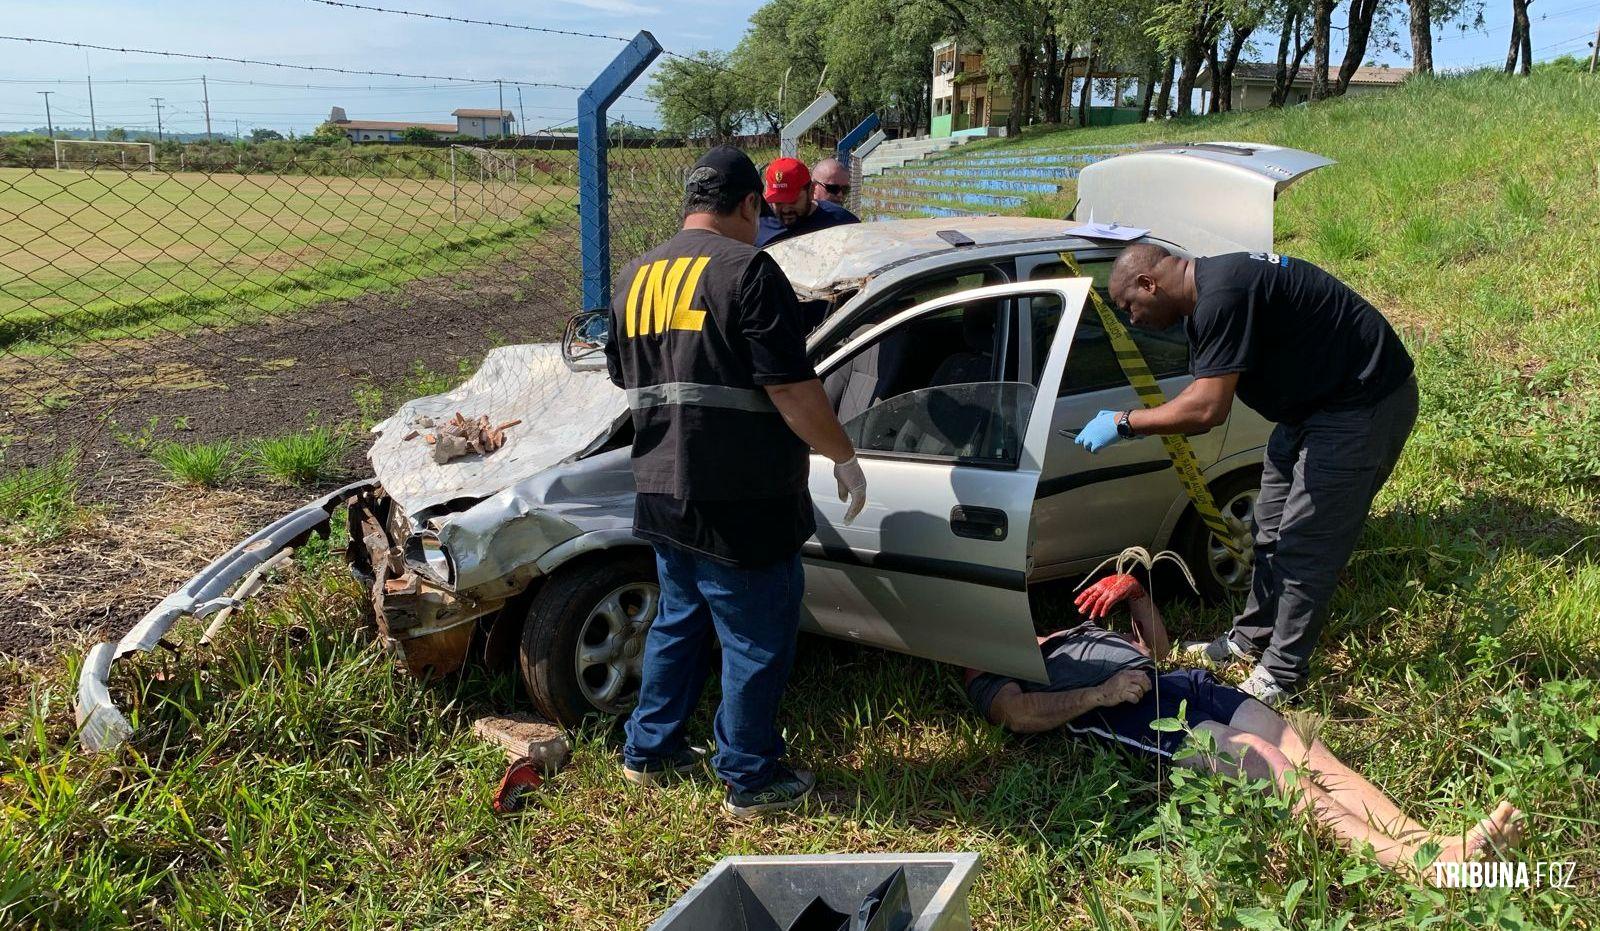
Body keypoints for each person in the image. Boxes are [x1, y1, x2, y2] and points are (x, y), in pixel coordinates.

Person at [603, 145, 869, 817]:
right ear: (750, 204)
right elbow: (791, 386)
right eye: (762, 211)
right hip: (744, 496)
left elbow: (619, 373)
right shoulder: (748, 269)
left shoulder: (634, 275)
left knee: (679, 620)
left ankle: (649, 749)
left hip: (662, 487)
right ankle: (750, 776)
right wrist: (841, 453)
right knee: (756, 636)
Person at [965, 573, 1525, 881]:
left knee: (1309, 753)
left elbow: (1156, 650)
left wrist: (1137, 596)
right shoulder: (981, 658)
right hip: (1129, 710)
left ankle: (1434, 843)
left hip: (1182, 683)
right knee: (1265, 760)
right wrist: (1098, 694)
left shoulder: (1060, 633)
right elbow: (1014, 715)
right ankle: (1422, 870)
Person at [1074, 245, 1419, 706]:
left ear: (1148, 284)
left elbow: (1207, 409)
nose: (1132, 320)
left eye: (1129, 307)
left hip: (1362, 405)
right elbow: (1205, 385)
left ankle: (1282, 674)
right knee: (1268, 528)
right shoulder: (1206, 298)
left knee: (1305, 543)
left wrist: (1124, 422)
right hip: (1309, 408)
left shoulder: (1223, 295)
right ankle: (1250, 638)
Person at [755, 156, 859, 248]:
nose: (786, 209)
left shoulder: (841, 222)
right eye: (778, 202)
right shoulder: (757, 225)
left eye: (793, 201)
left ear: (811, 191)